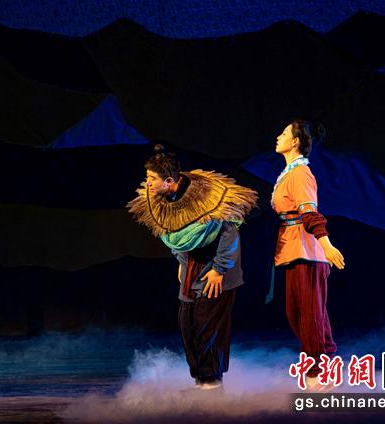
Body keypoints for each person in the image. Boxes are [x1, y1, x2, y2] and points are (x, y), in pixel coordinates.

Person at [128, 145, 257, 390]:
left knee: (207, 327)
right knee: (188, 325)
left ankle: (212, 383)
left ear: (169, 181)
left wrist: (219, 269)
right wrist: (182, 261)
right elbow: (174, 233)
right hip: (191, 268)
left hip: (215, 270)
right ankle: (201, 381)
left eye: (151, 179)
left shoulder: (206, 197)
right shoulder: (166, 200)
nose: (147, 184)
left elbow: (230, 231)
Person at [270, 119, 345, 389]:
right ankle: (325, 367)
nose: (278, 137)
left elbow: (309, 214)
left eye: (283, 133)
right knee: (300, 313)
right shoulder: (289, 173)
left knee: (309, 315)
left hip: (307, 251)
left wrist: (327, 245)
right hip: (294, 249)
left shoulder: (300, 174)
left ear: (295, 142)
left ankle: (317, 374)